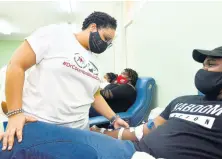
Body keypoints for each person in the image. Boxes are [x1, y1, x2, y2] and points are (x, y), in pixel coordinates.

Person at [0, 46, 222, 159]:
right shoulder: (183, 100)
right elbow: (140, 132)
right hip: (130, 151)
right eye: (203, 64)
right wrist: (101, 130)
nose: (204, 69)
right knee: (25, 132)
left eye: (211, 64)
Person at [0, 11, 129, 151]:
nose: (106, 44)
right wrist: (15, 113)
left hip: (79, 133)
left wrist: (114, 118)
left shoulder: (96, 63)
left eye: (109, 43)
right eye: (106, 38)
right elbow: (16, 65)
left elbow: (94, 95)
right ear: (93, 27)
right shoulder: (56, 34)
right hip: (41, 127)